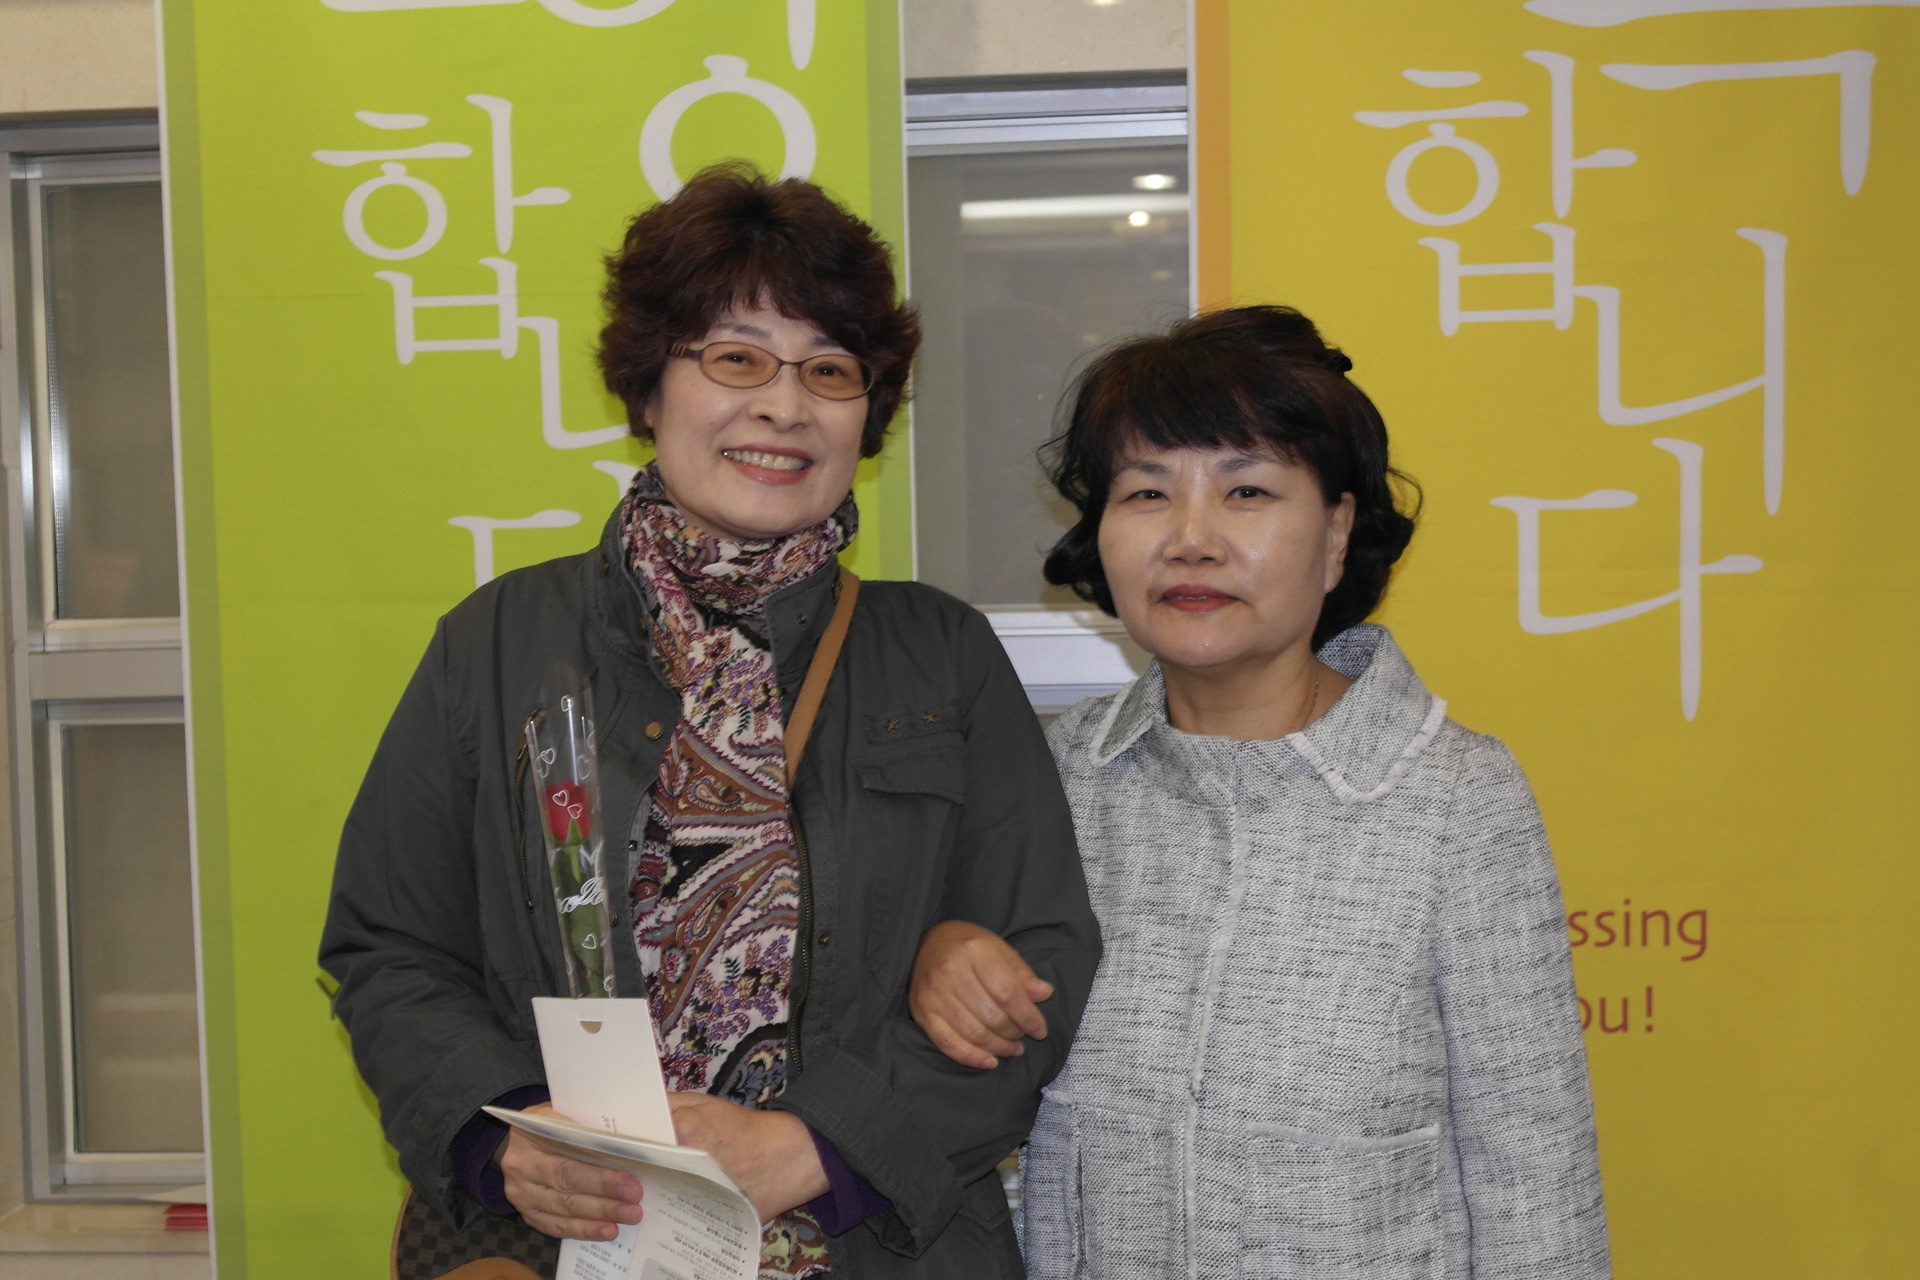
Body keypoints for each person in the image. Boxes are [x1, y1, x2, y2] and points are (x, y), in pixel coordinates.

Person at [320, 163, 1100, 1279]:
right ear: (648, 387)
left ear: (867, 412)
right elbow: (391, 946)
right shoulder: (496, 644)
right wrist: (507, 1134)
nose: (783, 406)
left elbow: (1037, 963)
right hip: (577, 1244)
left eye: (829, 369)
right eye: (736, 357)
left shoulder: (941, 654)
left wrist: (815, 1146)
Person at [909, 306, 1610, 1278]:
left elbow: (1536, 1187)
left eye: (1246, 490)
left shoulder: (1458, 799)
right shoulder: (1051, 775)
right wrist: (937, 952)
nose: (1191, 538)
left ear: (1337, 532)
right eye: (1147, 492)